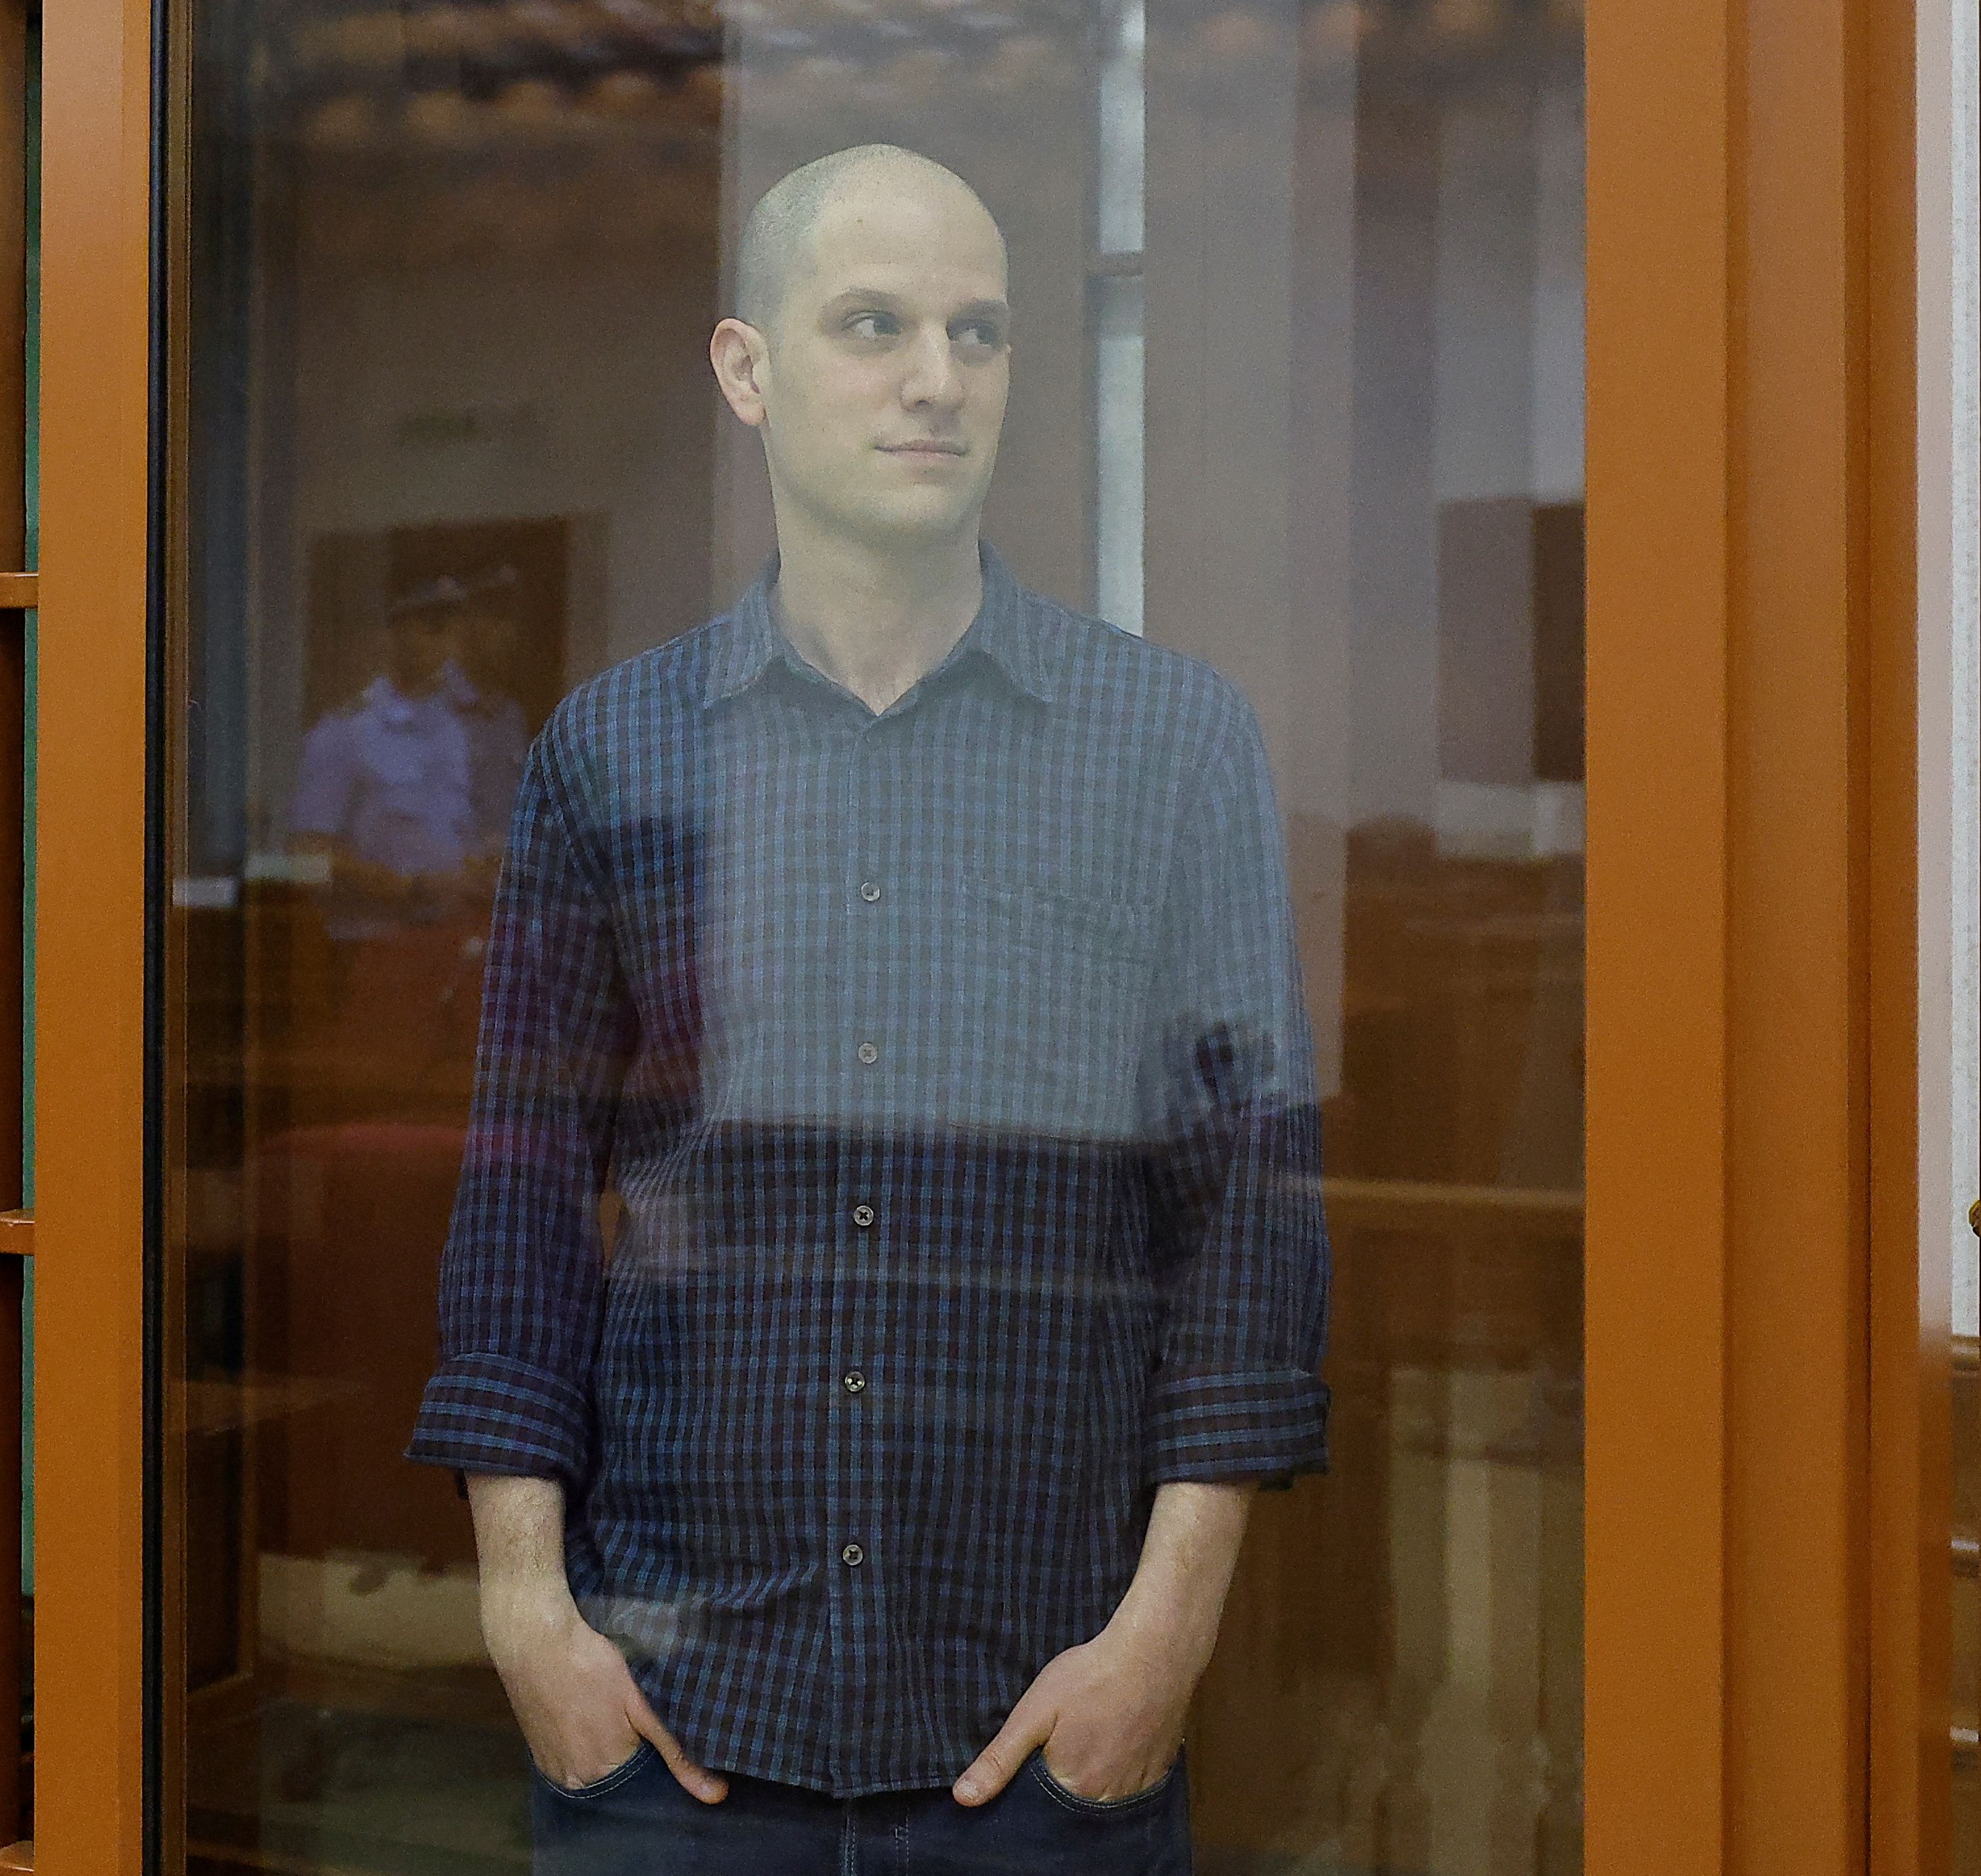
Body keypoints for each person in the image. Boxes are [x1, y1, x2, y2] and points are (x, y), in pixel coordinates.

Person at [407, 145, 1331, 1874]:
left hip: (1045, 1724)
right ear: (746, 368)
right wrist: (527, 1615)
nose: (937, 376)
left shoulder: (1171, 745)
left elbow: (1247, 1225)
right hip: (673, 1726)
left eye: (977, 332)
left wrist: (1163, 1640)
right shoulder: (618, 752)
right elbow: (523, 1202)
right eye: (873, 324)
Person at [287, 570, 531, 1112]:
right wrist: (414, 886)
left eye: (451, 626)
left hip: (452, 954)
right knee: (375, 1106)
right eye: (429, 625)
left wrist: (486, 865)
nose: (443, 641)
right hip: (372, 954)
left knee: (447, 1112)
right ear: (390, 634)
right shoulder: (345, 734)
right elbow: (308, 859)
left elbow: (458, 832)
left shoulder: (458, 730)